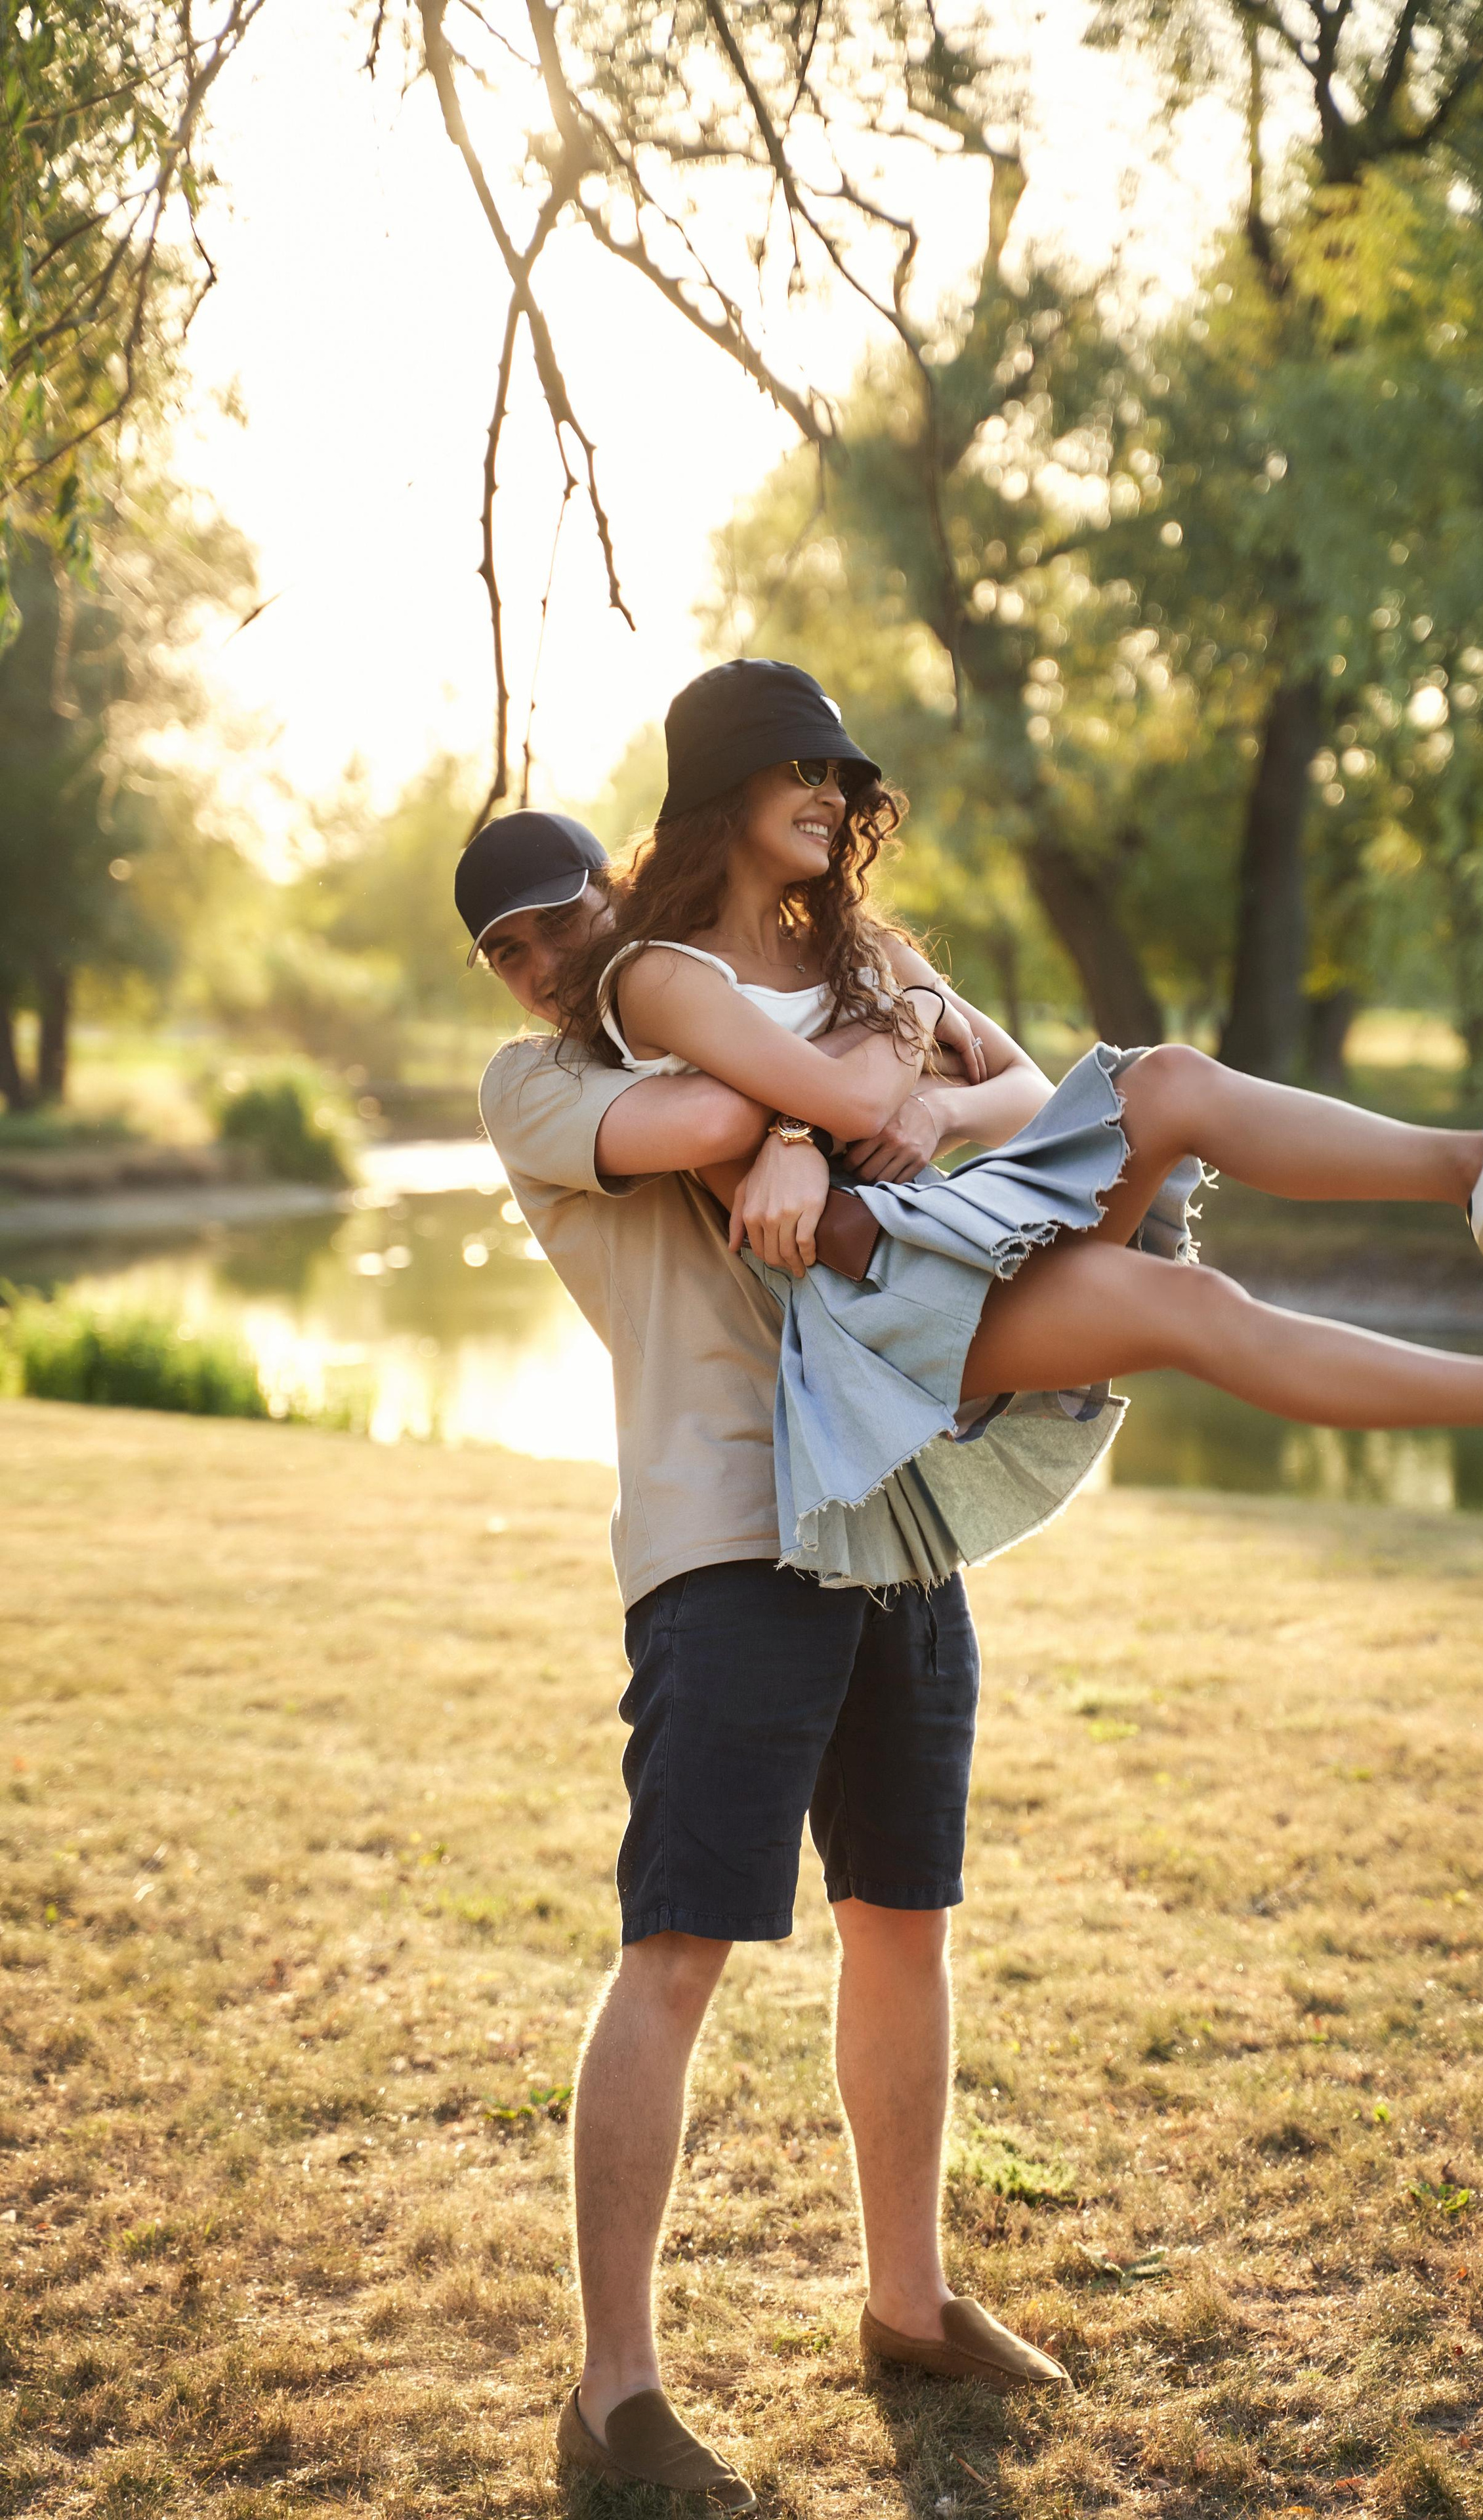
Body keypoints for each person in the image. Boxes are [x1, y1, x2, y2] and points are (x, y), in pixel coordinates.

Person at [554, 657, 1483, 1595]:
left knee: (1170, 1080)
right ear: (725, 784)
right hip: (869, 1301)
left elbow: (1026, 1095)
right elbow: (845, 1103)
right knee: (1195, 1307)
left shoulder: (860, 950)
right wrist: (918, 1019)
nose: (835, 799)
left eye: (842, 778)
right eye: (806, 771)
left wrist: (937, 1099)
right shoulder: (661, 974)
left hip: (950, 1224)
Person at [457, 809, 1072, 2518]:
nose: (539, 960)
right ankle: (614, 2396)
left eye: (558, 916)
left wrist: (880, 1064)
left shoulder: (760, 996)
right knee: (677, 1951)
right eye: (505, 949)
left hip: (893, 1509)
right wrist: (838, 1092)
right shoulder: (538, 1084)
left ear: (619, 889)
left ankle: (908, 2302)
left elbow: (1027, 1089)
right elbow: (719, 1122)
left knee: (905, 1919)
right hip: (724, 1541)